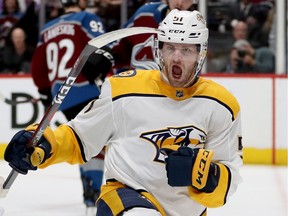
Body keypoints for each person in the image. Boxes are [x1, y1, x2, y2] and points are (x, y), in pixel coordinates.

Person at [4, 9, 243, 216]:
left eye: (186, 50)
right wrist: (43, 144)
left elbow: (227, 181)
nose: (176, 57)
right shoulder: (123, 89)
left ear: (201, 53)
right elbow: (79, 138)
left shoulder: (221, 104)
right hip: (125, 199)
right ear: (159, 49)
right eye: (170, 47)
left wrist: (203, 176)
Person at [29, 0, 114, 211]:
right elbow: (105, 47)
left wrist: (44, 93)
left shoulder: (47, 28)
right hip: (86, 89)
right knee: (96, 144)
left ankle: (89, 189)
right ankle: (93, 191)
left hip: (62, 95)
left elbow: (37, 67)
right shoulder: (87, 19)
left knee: (82, 141)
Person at [111, 0, 198, 73]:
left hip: (167, 90)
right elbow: (118, 48)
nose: (179, 2)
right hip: (135, 85)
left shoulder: (195, 29)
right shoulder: (145, 14)